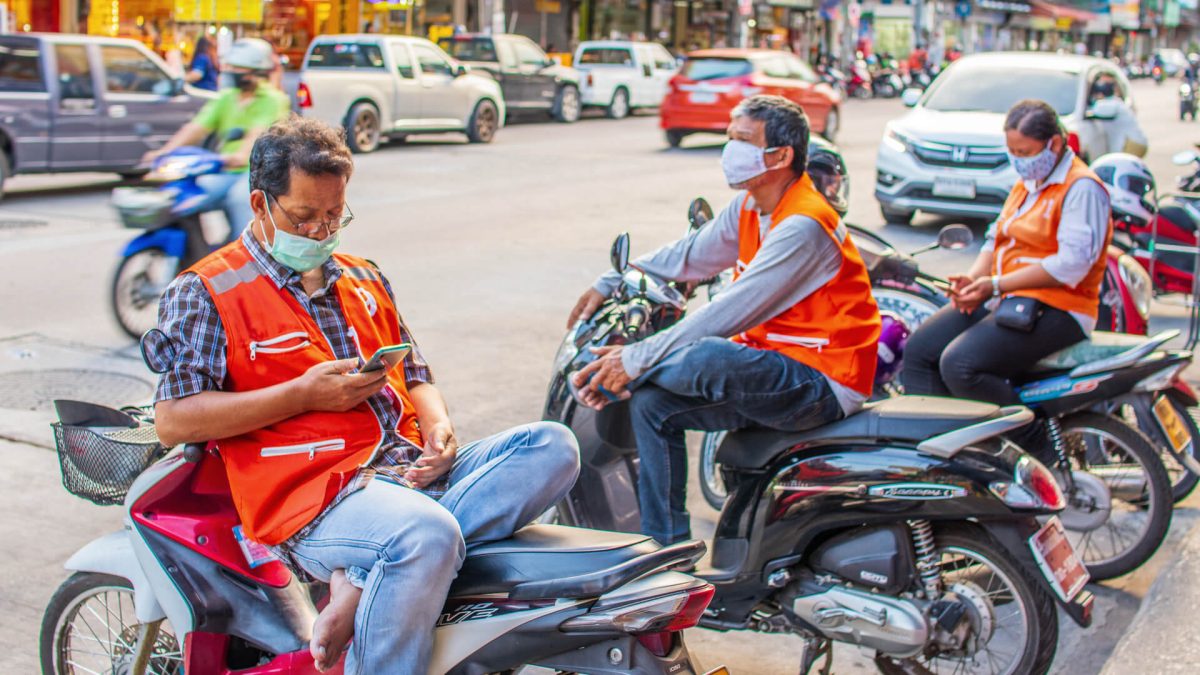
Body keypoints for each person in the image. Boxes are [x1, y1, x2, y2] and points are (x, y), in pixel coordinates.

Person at [150, 117, 580, 673]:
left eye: (335, 216)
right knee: (426, 533)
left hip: (406, 473)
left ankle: (359, 582)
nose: (321, 232)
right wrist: (301, 395)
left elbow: (417, 374)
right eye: (305, 217)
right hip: (312, 497)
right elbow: (175, 420)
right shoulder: (205, 291)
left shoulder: (364, 277)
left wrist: (439, 428)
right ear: (260, 203)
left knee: (554, 447)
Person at [566, 95, 881, 546]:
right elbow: (689, 256)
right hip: (776, 365)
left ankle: (608, 374)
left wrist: (633, 360)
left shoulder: (804, 224)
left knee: (707, 354)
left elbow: (727, 312)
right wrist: (613, 279)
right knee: (652, 407)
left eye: (741, 140)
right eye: (729, 137)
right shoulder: (751, 206)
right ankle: (665, 550)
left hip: (824, 380)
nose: (729, 149)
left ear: (780, 155)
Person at [901, 99, 1112, 456]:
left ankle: (1037, 447)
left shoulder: (1081, 187)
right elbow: (995, 237)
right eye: (1012, 151)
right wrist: (972, 281)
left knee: (960, 364)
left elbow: (1071, 265)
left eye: (1024, 151)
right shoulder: (1027, 182)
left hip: (1061, 309)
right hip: (1009, 299)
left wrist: (994, 285)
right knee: (920, 350)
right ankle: (942, 452)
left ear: (1055, 144)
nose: (1018, 159)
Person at [142, 38, 290, 244]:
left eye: (238, 68)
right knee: (185, 195)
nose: (231, 72)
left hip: (255, 173)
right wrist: (164, 152)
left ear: (254, 72)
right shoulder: (226, 98)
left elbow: (257, 134)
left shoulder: (273, 100)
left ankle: (247, 254)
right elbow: (196, 128)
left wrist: (240, 155)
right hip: (224, 170)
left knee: (240, 200)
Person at [1088, 73, 1148, 157]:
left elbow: (1091, 112)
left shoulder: (1109, 105)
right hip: (1135, 142)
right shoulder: (1115, 102)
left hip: (1130, 144)